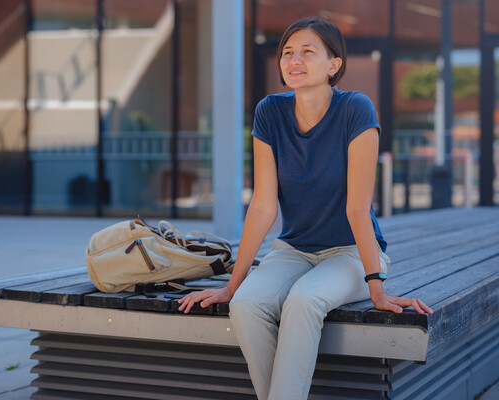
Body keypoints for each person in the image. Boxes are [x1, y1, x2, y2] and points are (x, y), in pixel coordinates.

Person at [178, 16, 433, 400]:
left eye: (307, 52)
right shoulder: (270, 112)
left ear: (334, 64)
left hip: (350, 253)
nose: (294, 60)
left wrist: (376, 288)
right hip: (294, 250)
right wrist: (233, 286)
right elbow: (263, 206)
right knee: (246, 305)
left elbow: (357, 209)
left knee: (303, 301)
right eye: (287, 52)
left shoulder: (356, 109)